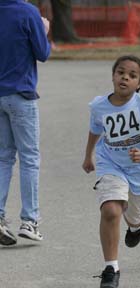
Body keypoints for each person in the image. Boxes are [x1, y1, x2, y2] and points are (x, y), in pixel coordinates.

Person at [82, 55, 140, 288]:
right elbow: (95, 130)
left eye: (132, 76)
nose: (125, 77)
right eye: (121, 72)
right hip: (110, 163)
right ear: (113, 76)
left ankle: (138, 223)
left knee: (133, 216)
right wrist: (88, 155)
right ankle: (111, 269)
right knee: (111, 210)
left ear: (139, 84)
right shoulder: (99, 106)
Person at [0, 0, 51, 246]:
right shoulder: (28, 12)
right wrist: (44, 29)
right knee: (29, 158)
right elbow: (43, 53)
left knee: (3, 157)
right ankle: (29, 221)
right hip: (21, 94)